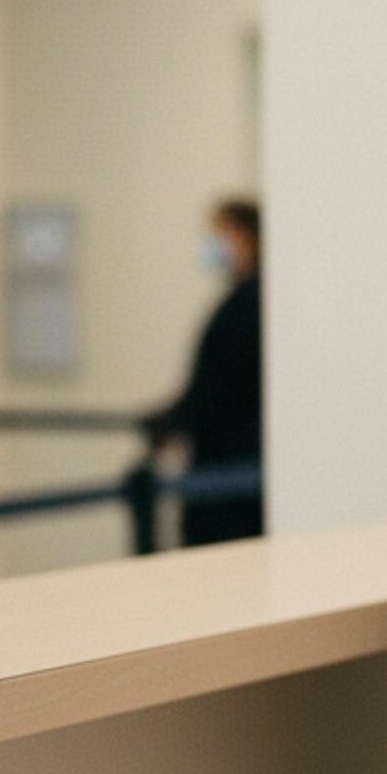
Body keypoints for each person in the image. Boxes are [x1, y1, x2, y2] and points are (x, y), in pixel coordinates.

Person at [147, 195, 263, 545]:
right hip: (226, 469)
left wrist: (177, 419)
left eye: (223, 232)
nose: (213, 244)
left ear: (248, 236)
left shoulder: (249, 303)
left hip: (230, 475)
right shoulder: (244, 300)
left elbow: (220, 383)